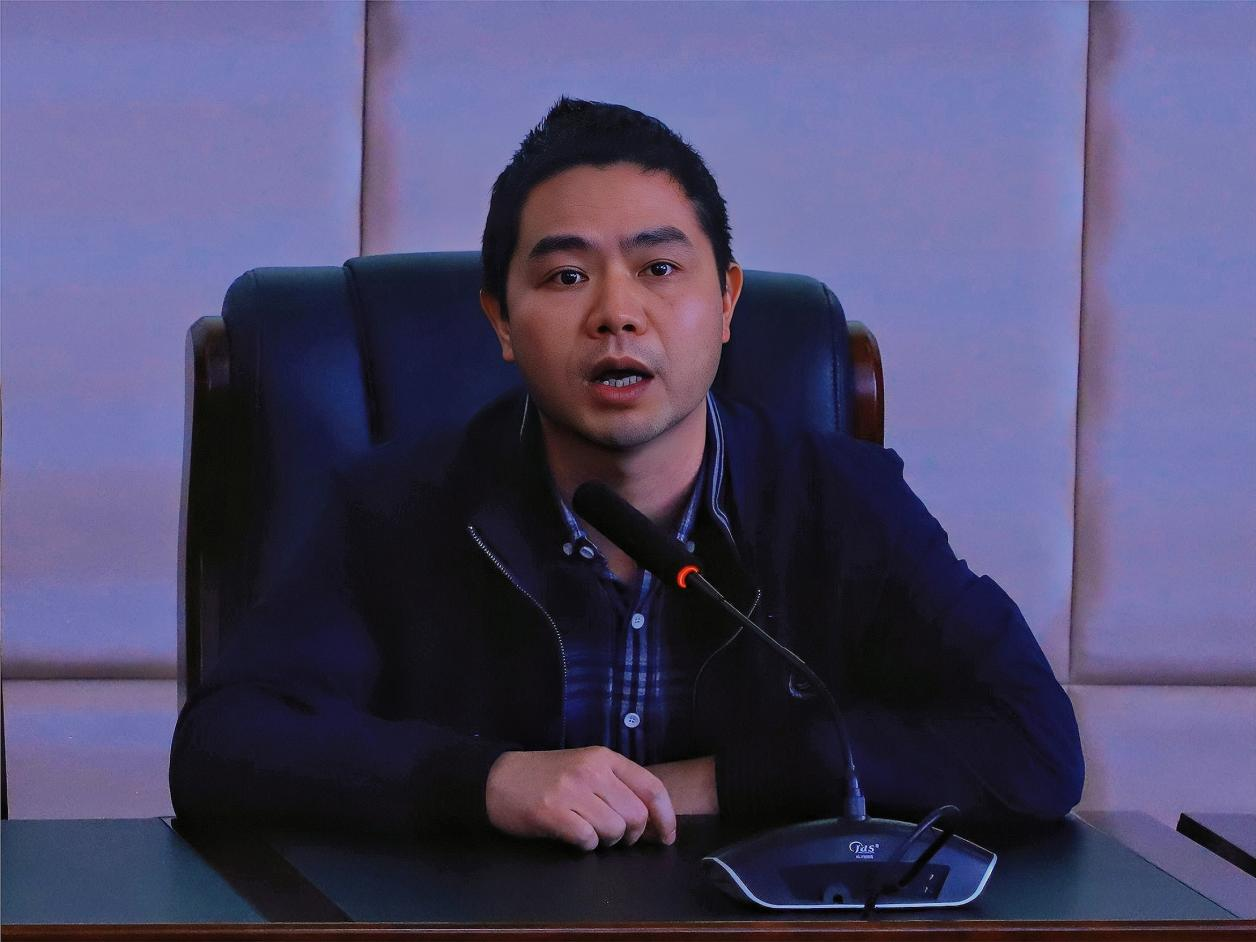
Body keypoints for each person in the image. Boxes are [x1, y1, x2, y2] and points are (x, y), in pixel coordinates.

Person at [170, 98, 1083, 851]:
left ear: (725, 302)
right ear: (500, 321)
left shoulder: (841, 501)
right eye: (567, 277)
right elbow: (224, 748)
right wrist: (487, 780)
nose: (617, 313)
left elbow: (1034, 746)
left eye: (659, 268)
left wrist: (717, 783)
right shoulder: (397, 506)